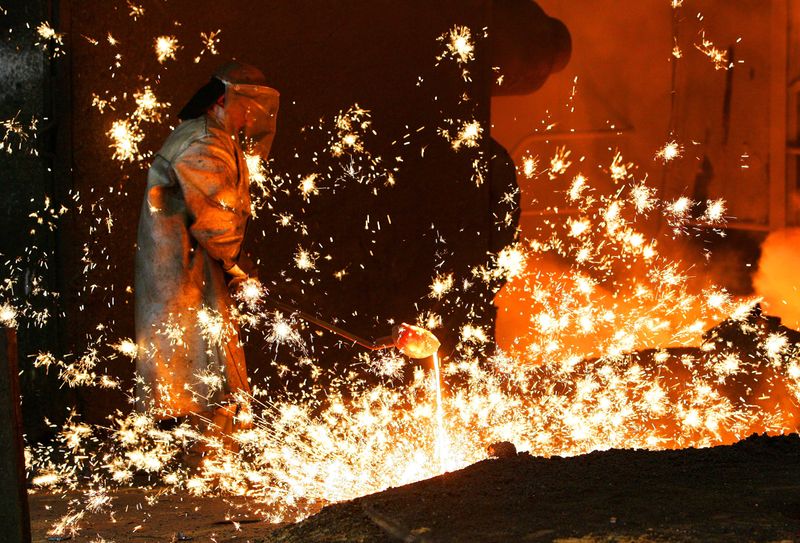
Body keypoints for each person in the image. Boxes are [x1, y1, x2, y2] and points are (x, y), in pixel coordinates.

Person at [134, 61, 278, 454]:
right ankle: (206, 484)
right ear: (220, 100)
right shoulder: (203, 143)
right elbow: (215, 218)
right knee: (203, 382)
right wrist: (235, 264)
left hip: (192, 274)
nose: (251, 115)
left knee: (205, 378)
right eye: (245, 105)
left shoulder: (213, 136)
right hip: (185, 280)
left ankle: (209, 476)